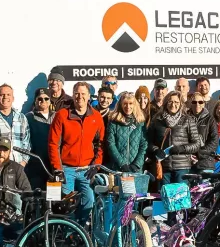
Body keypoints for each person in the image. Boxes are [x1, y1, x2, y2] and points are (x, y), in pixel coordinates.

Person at [48, 82, 105, 226]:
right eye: (77, 94)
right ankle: (69, 235)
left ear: (89, 96)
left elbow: (100, 144)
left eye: (83, 94)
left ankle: (81, 232)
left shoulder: (96, 117)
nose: (80, 97)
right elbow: (53, 144)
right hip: (66, 169)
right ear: (73, 95)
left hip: (86, 170)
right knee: (66, 206)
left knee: (89, 202)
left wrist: (96, 166)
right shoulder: (62, 115)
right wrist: (58, 168)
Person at [148, 91, 200, 186]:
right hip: (163, 166)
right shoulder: (157, 120)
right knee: (164, 197)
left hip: (182, 167)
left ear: (180, 104)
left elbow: (197, 144)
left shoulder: (188, 120)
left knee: (180, 198)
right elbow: (148, 142)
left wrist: (182, 149)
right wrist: (155, 150)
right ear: (165, 103)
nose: (173, 104)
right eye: (170, 101)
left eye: (176, 102)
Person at [105, 92, 148, 172]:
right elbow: (111, 144)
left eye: (130, 103)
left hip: (135, 169)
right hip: (118, 168)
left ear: (134, 105)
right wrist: (122, 164)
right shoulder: (114, 122)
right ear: (121, 105)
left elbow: (144, 144)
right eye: (125, 103)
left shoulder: (140, 122)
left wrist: (137, 164)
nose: (128, 107)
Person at [25, 88, 55, 191]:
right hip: (35, 165)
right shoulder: (28, 117)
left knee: (53, 197)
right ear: (35, 100)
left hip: (53, 166)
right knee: (37, 197)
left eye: (46, 99)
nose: (43, 101)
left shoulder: (57, 116)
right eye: (40, 99)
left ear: (50, 100)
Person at [187, 93, 219, 174]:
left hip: (206, 163)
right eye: (194, 102)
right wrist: (188, 155)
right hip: (187, 163)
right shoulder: (184, 118)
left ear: (204, 104)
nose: (197, 104)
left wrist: (199, 154)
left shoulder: (210, 119)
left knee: (204, 186)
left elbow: (214, 141)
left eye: (200, 102)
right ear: (191, 104)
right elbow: (180, 138)